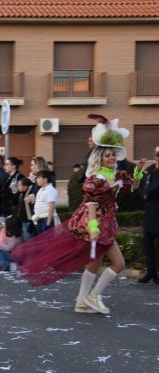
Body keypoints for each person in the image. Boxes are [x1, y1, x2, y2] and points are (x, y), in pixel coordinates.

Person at [13, 114, 145, 314]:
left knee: (95, 263)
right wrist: (93, 228)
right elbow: (91, 203)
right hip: (97, 223)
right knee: (118, 263)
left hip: (107, 222)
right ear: (99, 157)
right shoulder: (96, 178)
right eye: (107, 154)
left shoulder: (117, 175)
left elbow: (132, 187)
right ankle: (94, 296)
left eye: (113, 154)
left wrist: (139, 171)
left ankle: (82, 301)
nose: (111, 157)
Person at [139, 146, 159, 283]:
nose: (156, 155)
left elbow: (154, 190)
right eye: (156, 153)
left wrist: (147, 194)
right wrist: (145, 194)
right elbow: (142, 186)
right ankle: (151, 272)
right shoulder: (150, 170)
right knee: (148, 242)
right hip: (150, 212)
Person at [32, 169, 58, 234]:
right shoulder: (40, 190)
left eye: (38, 178)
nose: (36, 179)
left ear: (45, 179)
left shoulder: (50, 190)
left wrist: (48, 222)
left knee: (47, 241)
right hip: (39, 219)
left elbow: (51, 206)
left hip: (46, 219)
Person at [16, 177, 35, 241]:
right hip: (23, 220)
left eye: (19, 185)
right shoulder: (21, 193)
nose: (17, 187)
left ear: (25, 186)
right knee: (25, 239)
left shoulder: (31, 194)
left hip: (29, 220)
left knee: (28, 240)